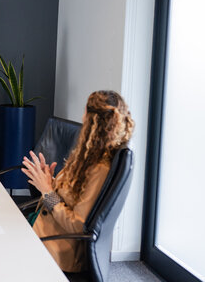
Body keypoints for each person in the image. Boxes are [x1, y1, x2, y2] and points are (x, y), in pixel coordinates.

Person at [21, 90, 134, 273]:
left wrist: (47, 191)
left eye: (85, 113)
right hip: (43, 231)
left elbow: (78, 225)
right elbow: (70, 197)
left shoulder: (100, 168)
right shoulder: (88, 156)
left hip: (55, 248)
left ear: (92, 122)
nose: (82, 117)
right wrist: (49, 180)